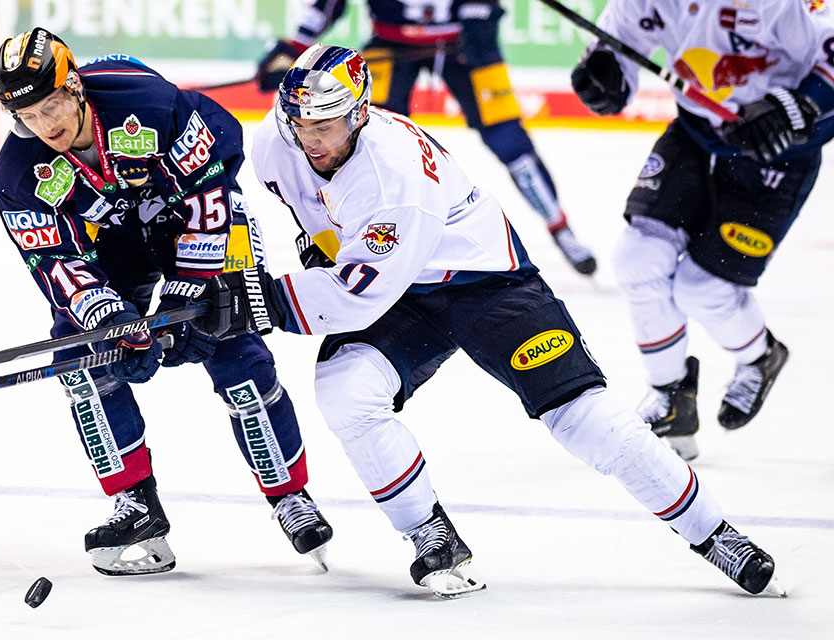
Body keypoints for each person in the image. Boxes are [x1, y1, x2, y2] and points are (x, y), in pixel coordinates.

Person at [194, 43, 784, 599]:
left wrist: (254, 299)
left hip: (484, 284)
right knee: (345, 394)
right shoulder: (281, 140)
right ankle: (432, 536)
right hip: (396, 288)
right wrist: (246, 267)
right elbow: (263, 205)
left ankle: (715, 534)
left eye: (325, 126)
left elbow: (358, 297)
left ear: (360, 115)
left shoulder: (395, 178)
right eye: (299, 123)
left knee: (586, 420)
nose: (310, 139)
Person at [0, 28, 333, 576]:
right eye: (28, 116)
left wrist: (188, 288)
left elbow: (213, 178)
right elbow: (57, 262)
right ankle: (136, 505)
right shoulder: (18, 173)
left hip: (202, 220)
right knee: (81, 358)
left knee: (230, 343)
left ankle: (290, 496)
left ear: (74, 86)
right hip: (117, 246)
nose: (44, 125)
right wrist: (113, 318)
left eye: (51, 104)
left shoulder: (140, 100)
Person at [570, 0, 834, 461]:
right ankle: (670, 395)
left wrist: (798, 104)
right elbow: (620, 44)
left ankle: (760, 356)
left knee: (703, 289)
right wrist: (606, 77)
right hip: (696, 134)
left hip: (778, 152)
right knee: (636, 260)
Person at [256, 0, 598, 275]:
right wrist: (295, 47)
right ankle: (350, 231)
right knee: (360, 139)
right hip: (391, 42)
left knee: (508, 139)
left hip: (466, 44)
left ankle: (559, 227)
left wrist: (482, 11)